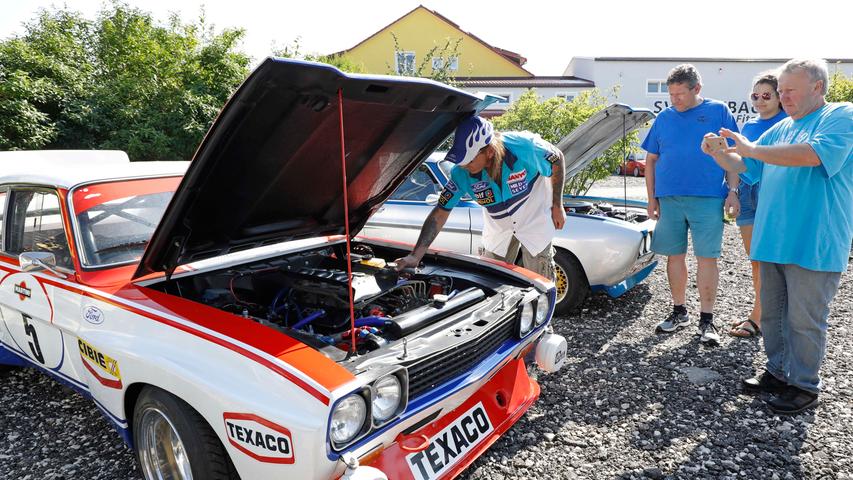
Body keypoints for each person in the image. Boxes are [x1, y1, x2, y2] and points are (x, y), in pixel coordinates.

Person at [703, 58, 852, 414]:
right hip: (774, 238)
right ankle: (776, 371)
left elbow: (814, 154)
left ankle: (804, 386)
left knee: (804, 319)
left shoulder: (840, 115)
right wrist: (720, 154)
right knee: (772, 314)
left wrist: (750, 149)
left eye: (789, 90)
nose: (782, 96)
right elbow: (745, 167)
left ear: (817, 87)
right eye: (780, 90)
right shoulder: (783, 127)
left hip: (815, 239)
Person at [394, 115, 566, 280]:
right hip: (498, 231)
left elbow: (557, 159)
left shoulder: (525, 146)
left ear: (489, 151)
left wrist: (557, 205)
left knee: (540, 281)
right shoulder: (460, 172)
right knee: (492, 280)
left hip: (534, 221)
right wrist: (415, 256)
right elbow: (440, 212)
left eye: (469, 161)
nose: (464, 166)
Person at [641, 64, 740, 345]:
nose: (675, 100)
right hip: (670, 199)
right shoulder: (664, 118)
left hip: (708, 197)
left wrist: (733, 191)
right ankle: (679, 311)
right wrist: (652, 199)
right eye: (671, 94)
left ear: (697, 89)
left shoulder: (718, 111)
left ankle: (707, 320)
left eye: (680, 94)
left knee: (707, 257)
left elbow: (732, 154)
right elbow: (651, 160)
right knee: (674, 256)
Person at [729, 72, 788, 338]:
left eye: (766, 95)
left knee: (772, 260)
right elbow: (739, 163)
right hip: (747, 193)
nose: (760, 101)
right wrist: (732, 192)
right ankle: (762, 313)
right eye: (755, 95)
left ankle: (761, 316)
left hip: (774, 194)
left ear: (779, 97)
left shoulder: (788, 124)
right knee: (756, 260)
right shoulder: (749, 126)